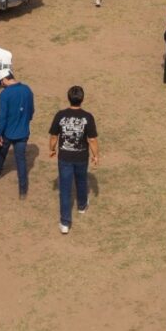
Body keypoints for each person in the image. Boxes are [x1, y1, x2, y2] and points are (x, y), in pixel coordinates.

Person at [49, 85, 98, 235]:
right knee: (81, 180)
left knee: (65, 189)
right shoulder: (87, 117)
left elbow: (53, 136)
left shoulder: (60, 115)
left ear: (68, 98)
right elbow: (92, 139)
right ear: (82, 99)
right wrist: (96, 155)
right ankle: (82, 206)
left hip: (64, 157)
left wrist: (52, 149)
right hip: (82, 157)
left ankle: (65, 222)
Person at [0, 69, 33, 197]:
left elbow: (2, 116)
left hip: (7, 133)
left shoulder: (5, 94)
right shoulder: (27, 89)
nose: (0, 85)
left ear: (4, 80)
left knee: (1, 153)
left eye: (0, 83)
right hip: (23, 132)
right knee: (21, 161)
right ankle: (23, 191)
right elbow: (31, 111)